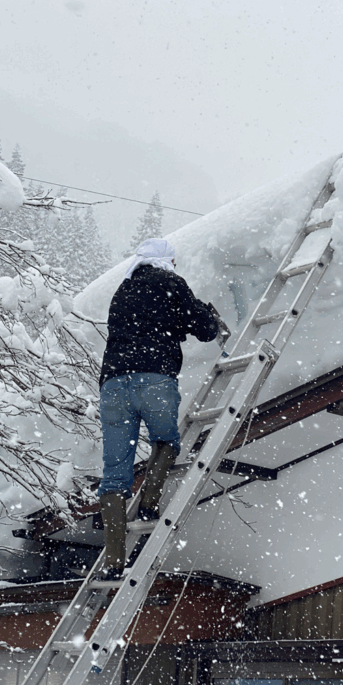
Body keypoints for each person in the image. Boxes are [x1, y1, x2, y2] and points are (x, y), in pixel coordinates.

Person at [97, 238, 219, 577]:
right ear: (166, 261)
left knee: (115, 474)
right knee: (166, 440)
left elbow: (138, 329)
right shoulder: (171, 283)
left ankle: (114, 561)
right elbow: (204, 330)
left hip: (113, 386)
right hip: (155, 378)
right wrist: (208, 316)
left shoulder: (122, 292)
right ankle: (149, 504)